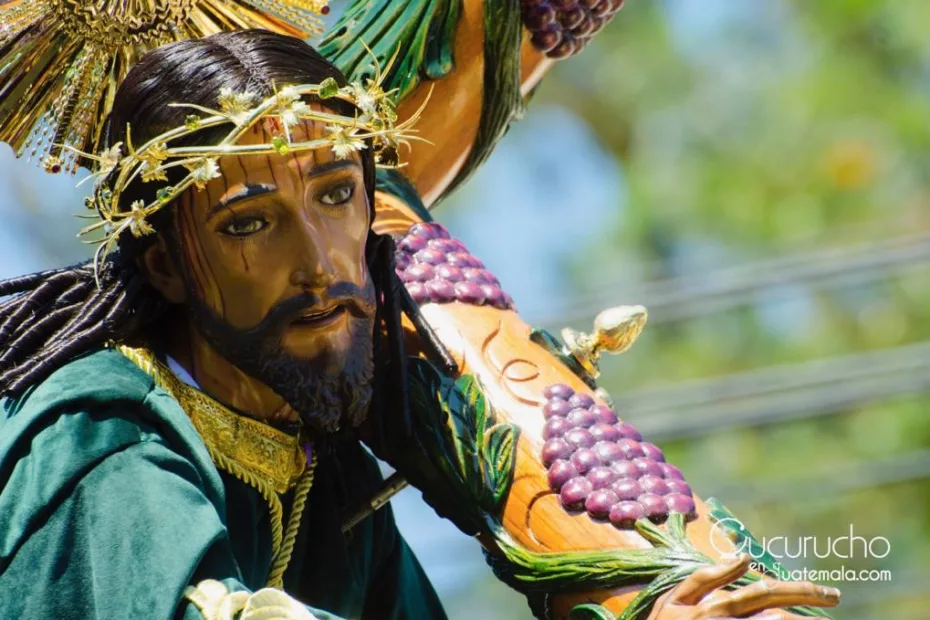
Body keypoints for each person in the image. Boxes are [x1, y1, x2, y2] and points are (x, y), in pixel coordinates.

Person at [0, 30, 444, 620]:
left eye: (337, 194)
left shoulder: (328, 472)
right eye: (248, 225)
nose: (317, 265)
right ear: (166, 267)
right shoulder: (102, 440)